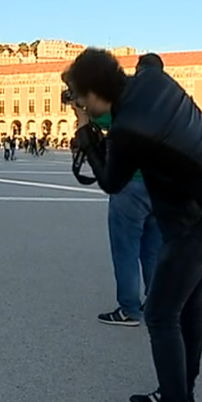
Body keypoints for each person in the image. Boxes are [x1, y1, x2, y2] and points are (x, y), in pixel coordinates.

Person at [64, 48, 202, 402]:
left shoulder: (130, 128)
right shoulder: (149, 79)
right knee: (189, 305)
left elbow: (111, 181)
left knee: (162, 314)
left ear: (94, 93)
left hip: (200, 226)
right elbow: (151, 60)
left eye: (80, 97)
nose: (79, 105)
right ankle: (180, 397)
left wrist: (85, 134)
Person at [68, 55, 163, 327]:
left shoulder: (122, 99)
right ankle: (156, 304)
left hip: (130, 182)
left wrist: (81, 114)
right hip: (157, 182)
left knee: (125, 249)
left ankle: (129, 309)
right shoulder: (157, 98)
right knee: (152, 249)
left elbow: (101, 120)